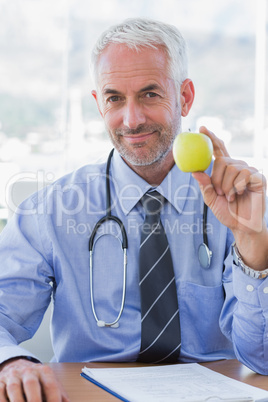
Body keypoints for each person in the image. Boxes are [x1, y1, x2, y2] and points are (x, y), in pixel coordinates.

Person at [0, 17, 268, 401]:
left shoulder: (244, 202)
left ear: (185, 97)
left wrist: (251, 240)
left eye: (150, 94)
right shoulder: (50, 212)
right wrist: (10, 363)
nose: (132, 119)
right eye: (115, 98)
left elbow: (262, 358)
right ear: (99, 104)